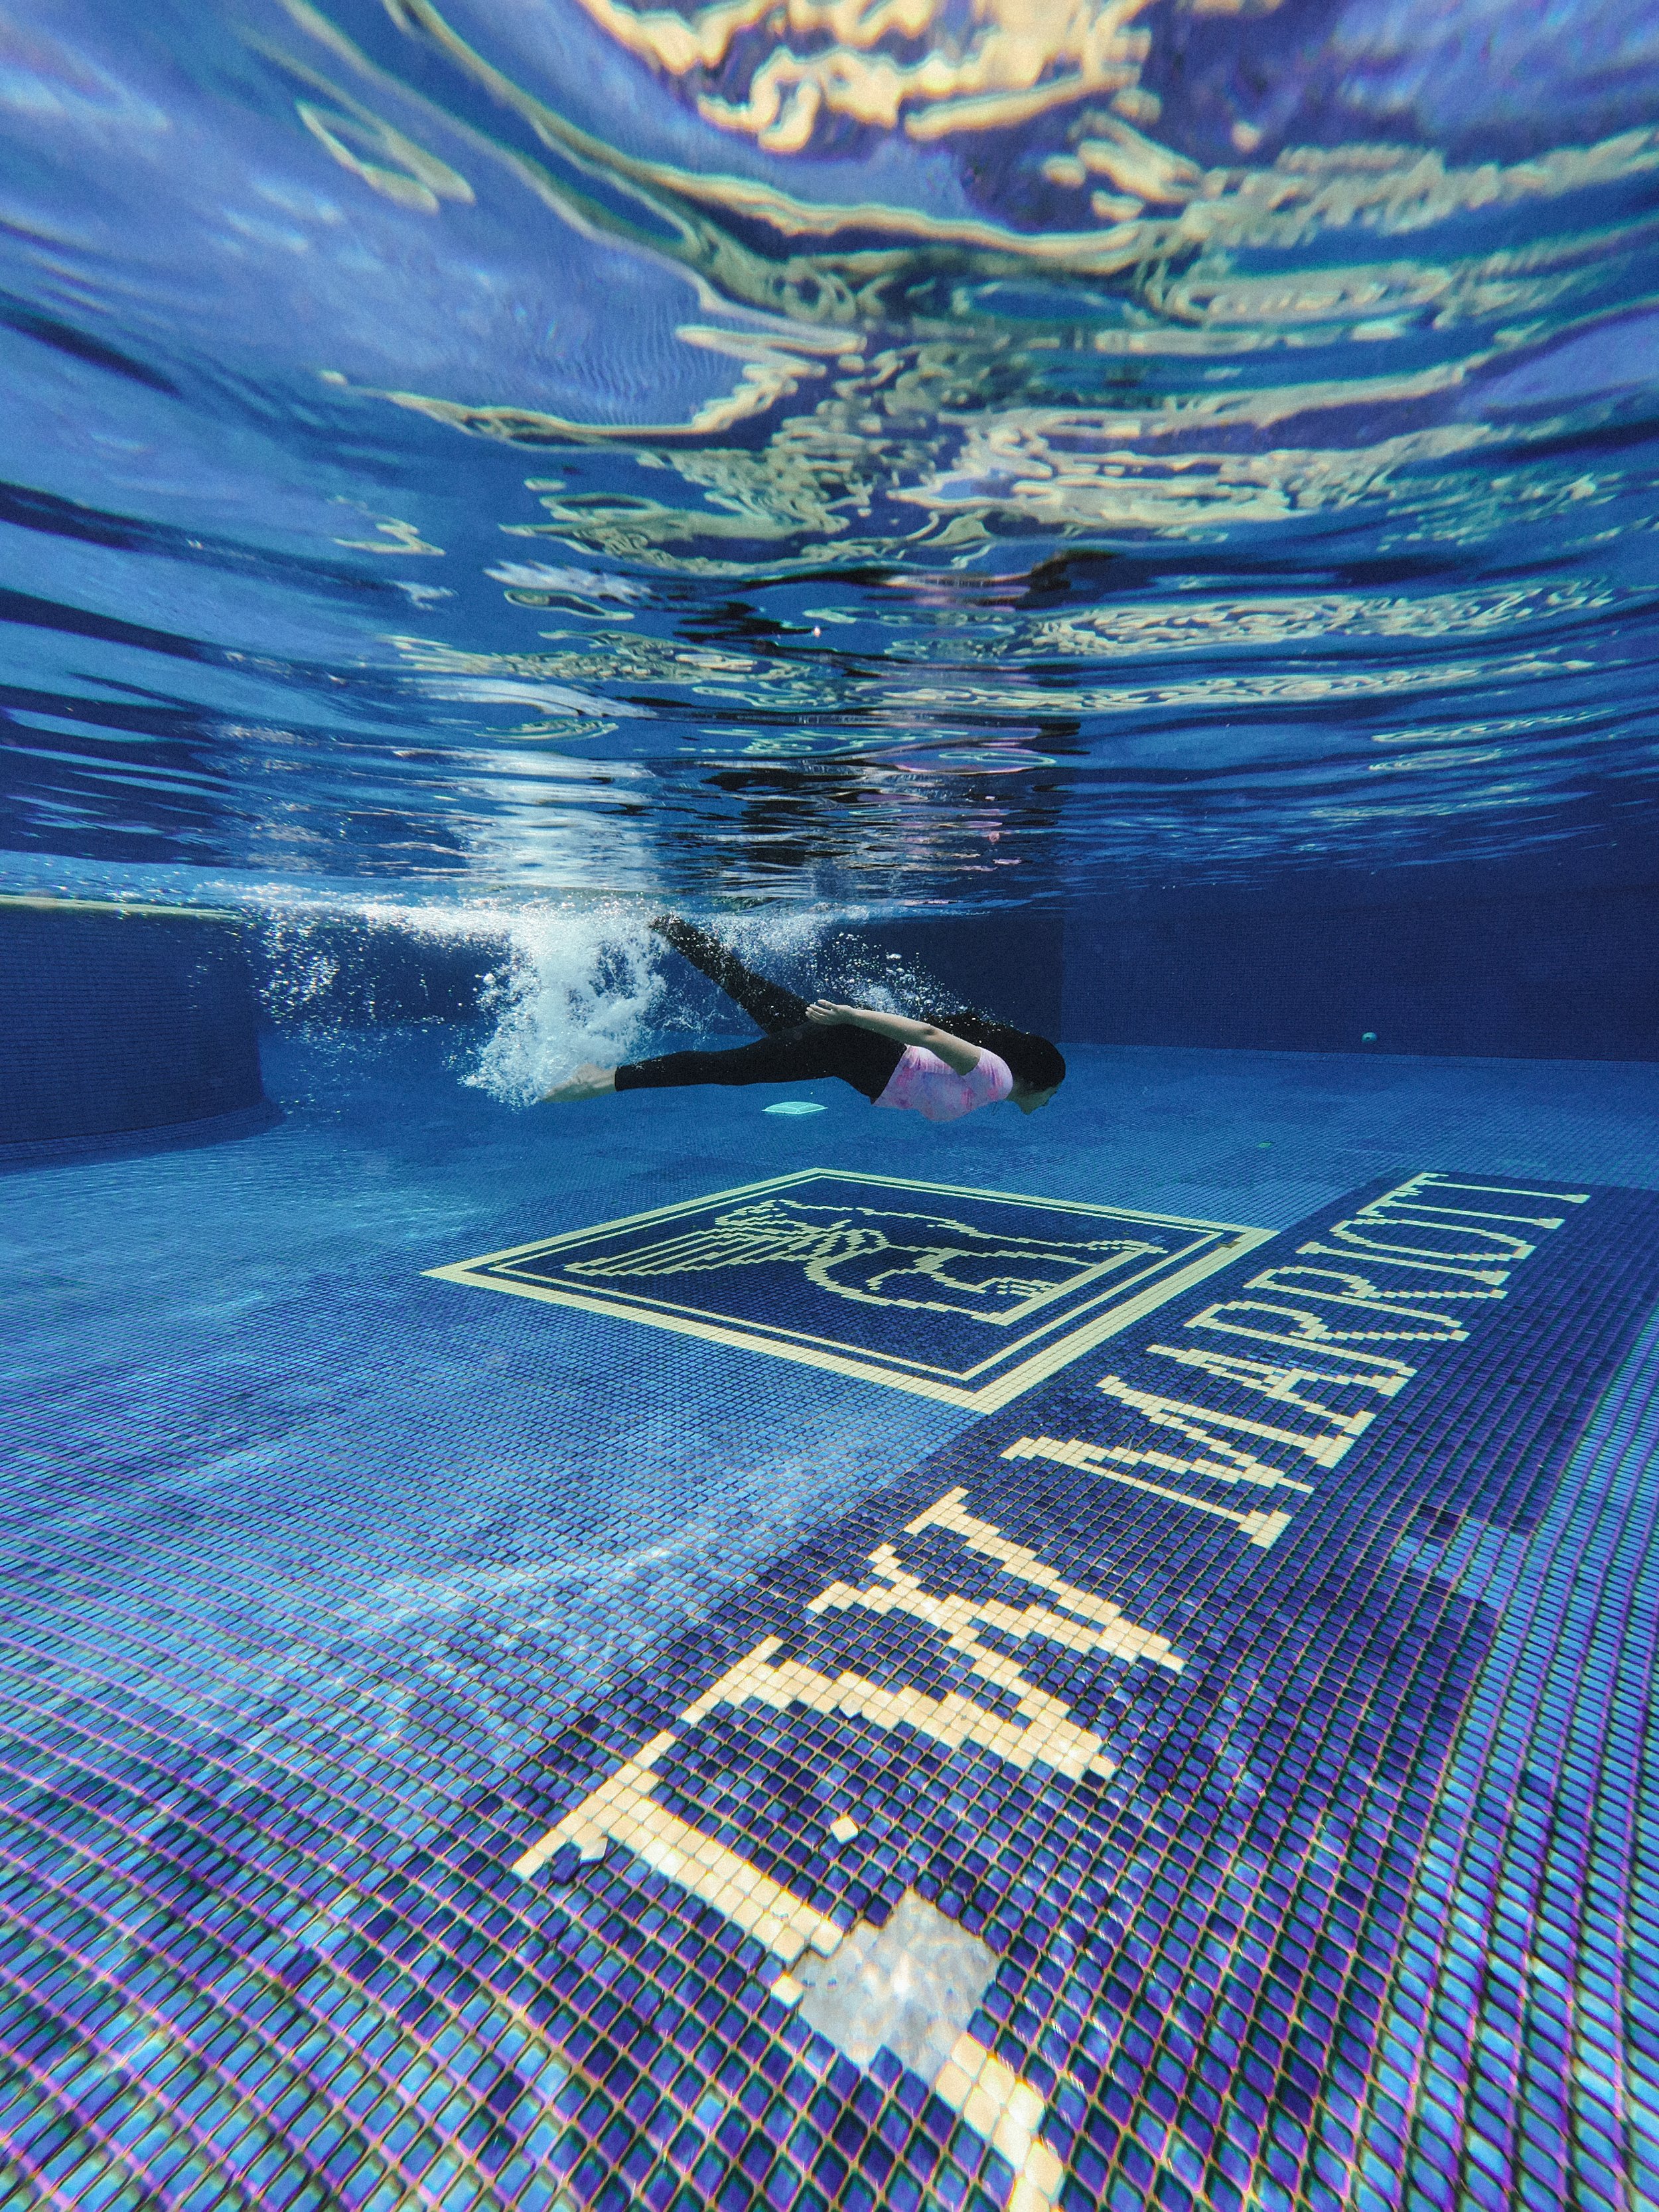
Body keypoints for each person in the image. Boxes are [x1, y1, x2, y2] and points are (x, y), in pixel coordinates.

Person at [542, 917, 1064, 1120]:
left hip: (848, 1052)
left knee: (745, 986)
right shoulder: (996, 1077)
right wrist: (849, 1014)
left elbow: (926, 1044)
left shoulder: (992, 1079)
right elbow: (927, 1034)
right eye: (1051, 1092)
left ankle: (668, 923)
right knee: (730, 1067)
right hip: (848, 1047)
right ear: (1035, 1078)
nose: (1046, 1102)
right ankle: (604, 1078)